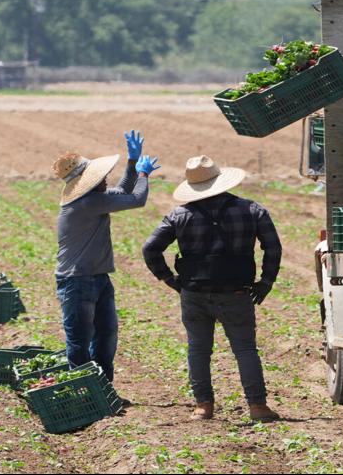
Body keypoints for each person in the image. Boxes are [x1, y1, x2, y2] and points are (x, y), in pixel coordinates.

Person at [142, 157, 281, 422]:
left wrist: (171, 280)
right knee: (245, 349)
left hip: (194, 292)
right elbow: (273, 247)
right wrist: (266, 282)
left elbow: (150, 248)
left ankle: (203, 406)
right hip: (237, 293)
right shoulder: (252, 209)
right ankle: (257, 406)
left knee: (198, 349)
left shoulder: (178, 215)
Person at [52, 131, 158, 386]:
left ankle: (104, 390)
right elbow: (135, 199)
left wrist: (132, 163)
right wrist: (143, 174)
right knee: (79, 341)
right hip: (76, 282)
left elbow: (121, 190)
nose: (105, 178)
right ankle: (85, 392)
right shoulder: (86, 204)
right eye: (100, 176)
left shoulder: (94, 199)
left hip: (98, 278)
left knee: (105, 336)